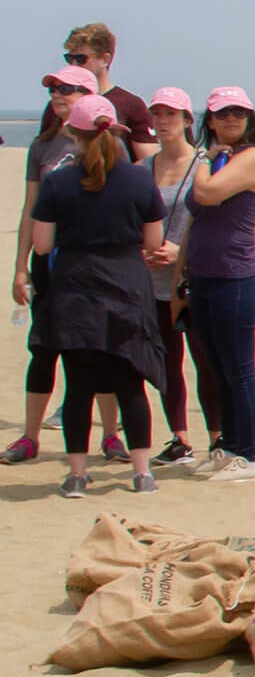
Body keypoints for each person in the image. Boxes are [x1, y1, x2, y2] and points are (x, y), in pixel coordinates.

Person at [28, 96, 166, 498]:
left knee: (79, 386)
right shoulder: (140, 179)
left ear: (74, 132)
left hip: (76, 287)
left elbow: (41, 245)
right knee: (130, 384)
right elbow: (153, 241)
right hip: (126, 284)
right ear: (116, 131)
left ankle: (76, 474)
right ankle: (142, 473)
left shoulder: (58, 181)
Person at [6, 67, 124, 465]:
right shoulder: (42, 146)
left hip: (94, 265)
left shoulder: (112, 147)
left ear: (89, 96)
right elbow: (30, 209)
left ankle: (110, 436)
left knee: (99, 351)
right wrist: (21, 267)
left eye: (68, 89)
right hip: (49, 264)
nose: (58, 94)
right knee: (43, 351)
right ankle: (29, 437)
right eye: (54, 89)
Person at [184, 88, 255, 484]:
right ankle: (230, 447)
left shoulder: (250, 157)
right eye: (222, 114)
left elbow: (206, 192)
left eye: (238, 112)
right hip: (203, 275)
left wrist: (201, 156)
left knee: (239, 368)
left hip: (235, 277)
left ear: (250, 118)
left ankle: (251, 457)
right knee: (217, 366)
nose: (231, 119)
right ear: (210, 120)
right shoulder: (219, 157)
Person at [142, 87, 217, 464]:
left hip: (192, 277)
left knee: (205, 359)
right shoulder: (144, 169)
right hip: (152, 280)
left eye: (171, 115)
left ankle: (217, 437)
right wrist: (143, 252)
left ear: (188, 120)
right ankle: (180, 438)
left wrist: (178, 250)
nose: (162, 122)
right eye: (156, 114)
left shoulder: (202, 163)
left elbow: (212, 214)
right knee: (166, 362)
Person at [60, 23, 159, 158]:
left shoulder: (131, 105)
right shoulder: (61, 100)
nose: (74, 65)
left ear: (105, 59)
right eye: (69, 59)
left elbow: (148, 161)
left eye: (80, 59)